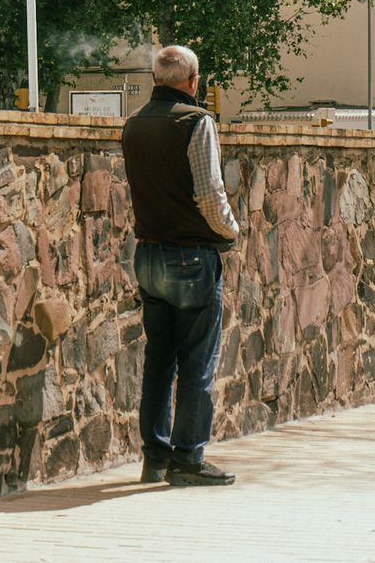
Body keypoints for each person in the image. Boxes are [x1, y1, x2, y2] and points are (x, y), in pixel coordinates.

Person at [122, 44, 240, 487]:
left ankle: (154, 456)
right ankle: (188, 458)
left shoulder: (134, 124)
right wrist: (230, 231)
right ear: (193, 82)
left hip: (148, 255)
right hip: (191, 257)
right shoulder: (196, 121)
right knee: (197, 362)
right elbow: (210, 193)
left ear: (156, 79)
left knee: (159, 360)